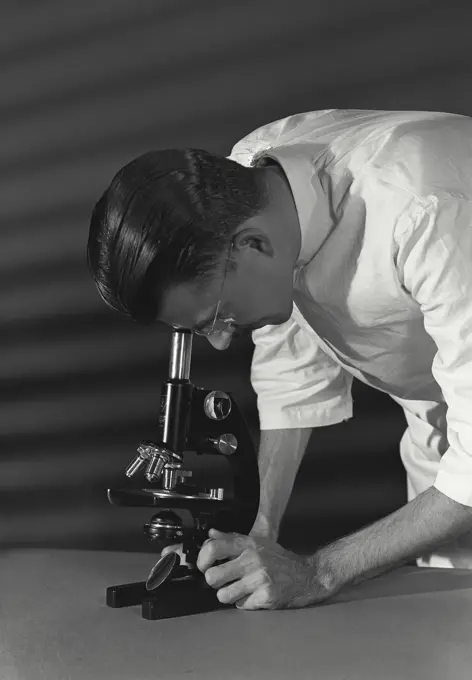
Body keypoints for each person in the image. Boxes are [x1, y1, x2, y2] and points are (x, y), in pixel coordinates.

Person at [87, 108, 472, 610]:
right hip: (443, 437)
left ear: (253, 244)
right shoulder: (256, 186)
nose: (221, 342)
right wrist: (259, 533)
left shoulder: (427, 209)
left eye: (219, 314)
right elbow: (293, 374)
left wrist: (319, 572)